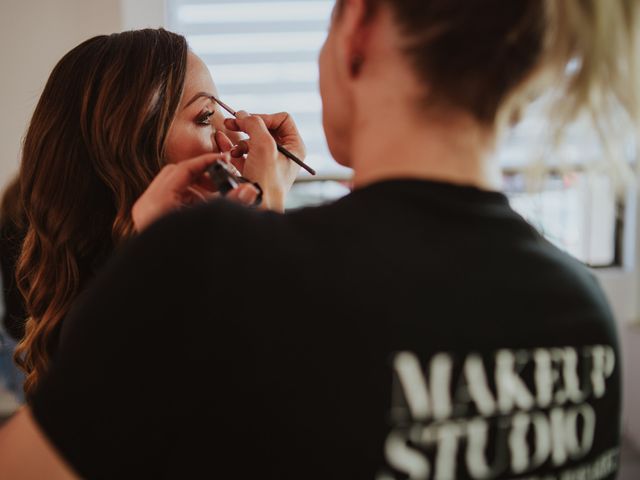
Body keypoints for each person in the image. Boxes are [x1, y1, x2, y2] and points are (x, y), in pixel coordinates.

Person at [1, 0, 638, 478]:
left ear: (357, 29)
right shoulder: (583, 307)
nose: (229, 133)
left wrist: (182, 257)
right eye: (204, 115)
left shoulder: (204, 263)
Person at [0, 28, 301, 397]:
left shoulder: (105, 291)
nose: (230, 141)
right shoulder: (131, 311)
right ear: (129, 144)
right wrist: (266, 205)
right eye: (206, 116)